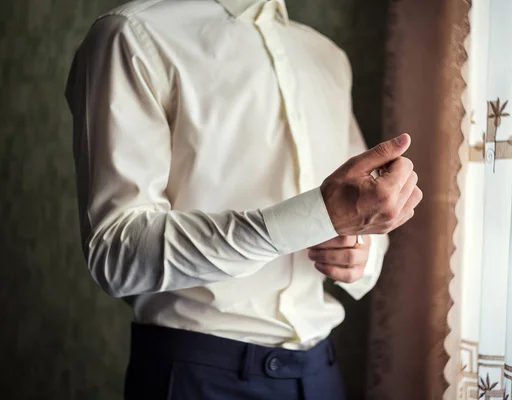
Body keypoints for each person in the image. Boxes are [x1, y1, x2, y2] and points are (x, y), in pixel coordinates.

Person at [64, 0, 422, 399]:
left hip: (322, 374)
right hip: (198, 376)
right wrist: (311, 218)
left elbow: (353, 211)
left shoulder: (327, 56)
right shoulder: (131, 35)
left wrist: (360, 251)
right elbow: (117, 252)